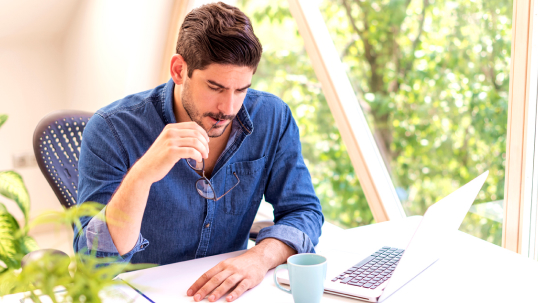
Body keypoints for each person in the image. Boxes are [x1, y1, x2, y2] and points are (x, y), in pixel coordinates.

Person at [74, 2, 323, 302]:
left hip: (229, 296)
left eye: (241, 89)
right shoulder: (111, 129)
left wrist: (259, 258)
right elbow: (92, 265)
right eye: (215, 87)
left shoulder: (272, 117)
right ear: (179, 70)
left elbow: (303, 211)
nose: (229, 109)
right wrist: (141, 176)